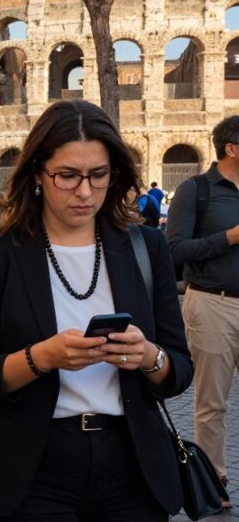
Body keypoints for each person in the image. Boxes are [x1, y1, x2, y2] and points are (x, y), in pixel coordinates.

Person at [0, 100, 192, 521]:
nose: (85, 192)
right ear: (37, 174)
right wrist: (41, 358)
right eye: (67, 176)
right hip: (31, 467)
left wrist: (148, 357)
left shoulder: (146, 246)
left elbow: (179, 369)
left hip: (133, 463)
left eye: (98, 176)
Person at [166, 114, 239, 508]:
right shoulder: (196, 191)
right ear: (232, 148)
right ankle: (214, 482)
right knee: (212, 401)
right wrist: (230, 237)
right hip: (213, 304)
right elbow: (173, 250)